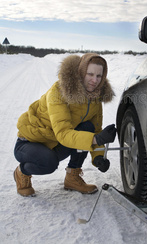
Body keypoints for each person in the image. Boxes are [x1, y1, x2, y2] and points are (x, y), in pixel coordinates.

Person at [14, 53, 116, 197]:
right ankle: (22, 172)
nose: (94, 80)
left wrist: (98, 157)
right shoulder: (58, 92)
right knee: (48, 163)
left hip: (55, 142)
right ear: (81, 72)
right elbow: (63, 133)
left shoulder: (95, 97)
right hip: (30, 142)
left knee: (87, 128)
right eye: (90, 74)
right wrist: (96, 139)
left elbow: (96, 131)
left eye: (99, 76)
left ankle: (72, 177)